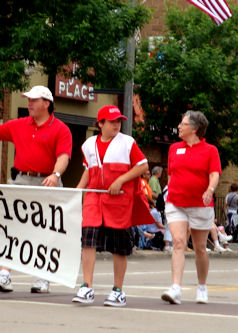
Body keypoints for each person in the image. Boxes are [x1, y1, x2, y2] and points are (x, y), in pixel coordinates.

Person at [0, 86, 72, 294]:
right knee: (11, 227)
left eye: (33, 100)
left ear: (46, 104)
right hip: (20, 180)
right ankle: (5, 274)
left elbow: (63, 156)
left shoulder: (61, 129)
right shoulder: (20, 124)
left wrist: (56, 175)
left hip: (47, 183)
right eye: (28, 99)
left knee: (46, 231)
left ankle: (43, 276)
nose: (29, 103)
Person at [72, 105, 150, 307]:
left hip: (119, 202)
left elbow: (142, 165)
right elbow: (88, 170)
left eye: (118, 121)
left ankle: (118, 290)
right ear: (100, 124)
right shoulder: (89, 144)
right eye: (112, 121)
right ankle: (86, 286)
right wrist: (78, 190)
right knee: (87, 241)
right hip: (93, 200)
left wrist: (121, 180)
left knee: (119, 247)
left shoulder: (127, 142)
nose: (117, 124)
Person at [161, 110, 221, 305]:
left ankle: (202, 286)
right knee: (178, 242)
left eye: (183, 124)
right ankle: (176, 288)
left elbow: (214, 174)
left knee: (200, 248)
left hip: (200, 205)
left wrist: (210, 190)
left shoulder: (210, 150)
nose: (179, 126)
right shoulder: (174, 149)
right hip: (176, 203)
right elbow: (171, 175)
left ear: (194, 128)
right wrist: (169, 192)